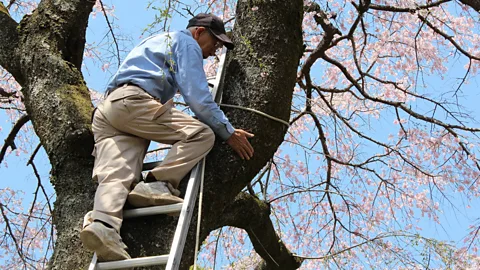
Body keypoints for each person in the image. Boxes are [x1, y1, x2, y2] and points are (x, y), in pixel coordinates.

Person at [80, 13, 254, 262]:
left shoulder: (158, 41)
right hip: (133, 102)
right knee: (201, 134)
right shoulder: (186, 43)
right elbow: (198, 97)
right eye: (214, 43)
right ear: (199, 32)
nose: (213, 51)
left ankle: (103, 226)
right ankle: (156, 184)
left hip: (111, 110)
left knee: (119, 174)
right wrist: (227, 132)